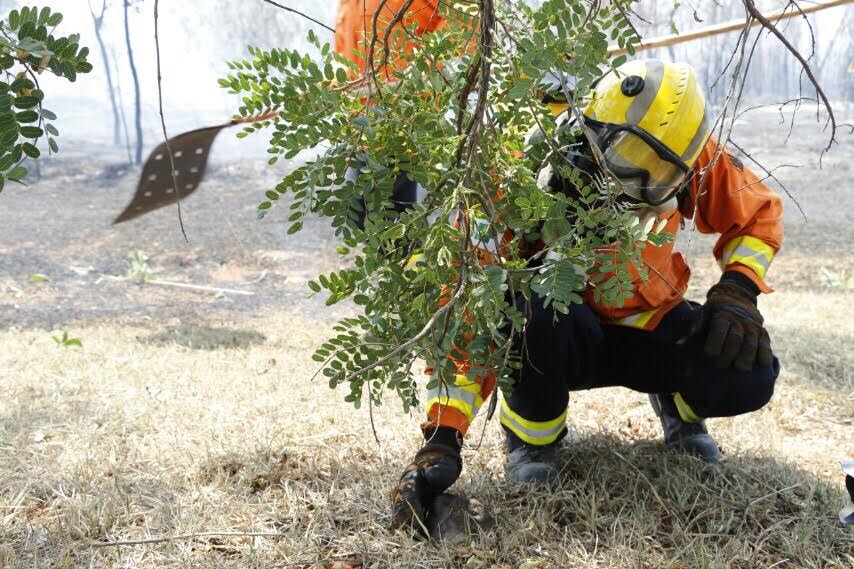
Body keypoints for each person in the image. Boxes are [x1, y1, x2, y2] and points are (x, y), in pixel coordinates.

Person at [390, 59, 784, 531]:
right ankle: (532, 438)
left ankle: (680, 408)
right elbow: (470, 311)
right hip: (558, 332)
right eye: (628, 168)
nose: (638, 187)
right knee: (533, 312)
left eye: (656, 177)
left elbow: (757, 212)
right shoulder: (516, 165)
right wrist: (443, 434)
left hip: (648, 322)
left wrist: (738, 289)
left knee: (750, 373)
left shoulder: (680, 149)